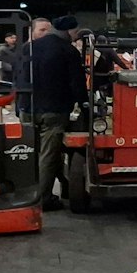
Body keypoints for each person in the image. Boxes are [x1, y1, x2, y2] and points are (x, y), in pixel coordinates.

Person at [27, 15, 86, 210]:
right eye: (76, 33)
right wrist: (85, 105)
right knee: (49, 156)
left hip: (26, 109)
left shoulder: (28, 48)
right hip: (54, 110)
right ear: (69, 31)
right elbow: (77, 85)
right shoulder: (68, 51)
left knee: (28, 153)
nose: (76, 37)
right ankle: (43, 199)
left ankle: (26, 193)